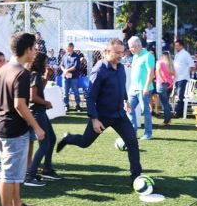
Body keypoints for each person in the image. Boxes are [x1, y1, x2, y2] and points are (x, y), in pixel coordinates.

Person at [56, 39, 143, 182]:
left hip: (119, 115)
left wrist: (126, 100)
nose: (121, 55)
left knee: (132, 141)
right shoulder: (99, 69)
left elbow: (121, 86)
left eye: (122, 52)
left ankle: (136, 176)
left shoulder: (121, 68)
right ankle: (68, 138)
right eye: (117, 53)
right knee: (85, 142)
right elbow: (90, 97)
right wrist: (94, 119)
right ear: (108, 52)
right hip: (101, 116)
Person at [0, 32, 45, 206]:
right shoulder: (22, 74)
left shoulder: (4, 68)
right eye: (34, 47)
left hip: (0, 126)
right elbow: (20, 105)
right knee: (9, 174)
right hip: (13, 130)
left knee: (13, 172)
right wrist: (37, 127)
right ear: (28, 49)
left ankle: (17, 204)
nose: (36, 51)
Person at [25, 52, 61, 187]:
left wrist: (46, 76)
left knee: (51, 139)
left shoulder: (37, 75)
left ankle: (47, 169)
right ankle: (31, 175)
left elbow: (40, 89)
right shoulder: (34, 75)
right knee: (45, 143)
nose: (47, 64)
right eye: (45, 62)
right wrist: (46, 102)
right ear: (39, 62)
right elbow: (32, 97)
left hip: (40, 112)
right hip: (36, 112)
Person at [127, 36, 155, 140]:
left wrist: (146, 88)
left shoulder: (148, 56)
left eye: (132, 47)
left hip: (143, 89)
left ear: (138, 46)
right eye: (129, 47)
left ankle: (148, 133)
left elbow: (150, 72)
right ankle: (133, 132)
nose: (130, 49)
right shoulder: (135, 56)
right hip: (133, 89)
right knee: (129, 109)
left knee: (145, 111)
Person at [173, 39, 195, 117]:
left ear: (181, 45)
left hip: (183, 78)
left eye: (177, 45)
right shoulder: (177, 54)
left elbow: (192, 65)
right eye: (175, 45)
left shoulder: (186, 54)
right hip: (177, 78)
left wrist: (189, 74)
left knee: (180, 96)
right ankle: (178, 111)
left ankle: (178, 112)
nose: (175, 47)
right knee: (178, 96)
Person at [156, 52, 175, 126]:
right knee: (166, 103)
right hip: (169, 84)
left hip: (162, 84)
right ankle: (168, 120)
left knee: (165, 103)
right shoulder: (170, 64)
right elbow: (173, 74)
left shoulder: (159, 62)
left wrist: (163, 79)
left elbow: (158, 71)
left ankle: (166, 121)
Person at [61, 42, 81, 111]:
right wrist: (64, 70)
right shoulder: (65, 55)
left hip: (74, 77)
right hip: (65, 77)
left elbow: (75, 66)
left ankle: (78, 105)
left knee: (76, 92)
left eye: (67, 47)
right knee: (65, 92)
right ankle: (66, 105)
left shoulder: (76, 56)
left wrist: (67, 70)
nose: (66, 48)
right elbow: (61, 65)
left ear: (71, 47)